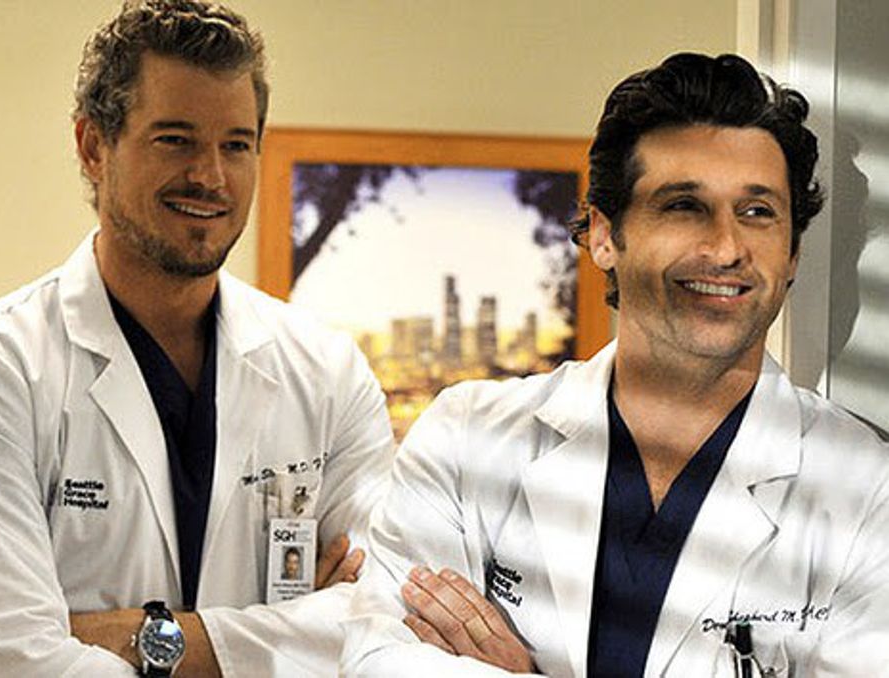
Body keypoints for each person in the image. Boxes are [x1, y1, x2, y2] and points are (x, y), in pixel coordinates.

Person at [341, 53, 889, 677]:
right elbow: (378, 662)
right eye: (684, 206)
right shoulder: (468, 439)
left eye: (757, 212)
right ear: (604, 235)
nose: (726, 248)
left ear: (791, 254)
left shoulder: (866, 489)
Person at [0, 1, 394, 676]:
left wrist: (139, 637)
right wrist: (292, 638)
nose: (210, 177)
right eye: (175, 139)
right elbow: (9, 661)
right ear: (93, 146)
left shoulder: (327, 373)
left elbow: (387, 618)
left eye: (236, 145)